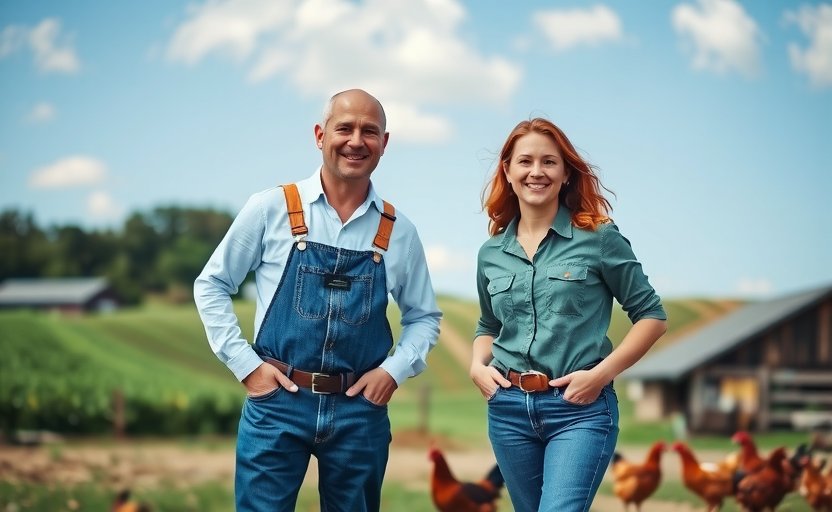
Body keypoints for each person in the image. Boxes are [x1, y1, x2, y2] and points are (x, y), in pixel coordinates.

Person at [194, 89, 441, 512]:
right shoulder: (270, 208)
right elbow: (212, 284)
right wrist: (247, 366)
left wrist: (393, 371)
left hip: (359, 412)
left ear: (384, 142)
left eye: (370, 131)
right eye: (344, 128)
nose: (356, 141)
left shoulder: (400, 231)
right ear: (319, 135)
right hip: (277, 404)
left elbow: (424, 317)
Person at [469, 118, 667, 512]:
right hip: (508, 410)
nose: (537, 171)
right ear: (507, 170)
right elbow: (488, 324)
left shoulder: (600, 238)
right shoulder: (491, 253)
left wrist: (600, 375)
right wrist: (476, 365)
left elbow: (652, 316)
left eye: (549, 162)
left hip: (580, 410)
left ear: (566, 174)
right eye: (525, 161)